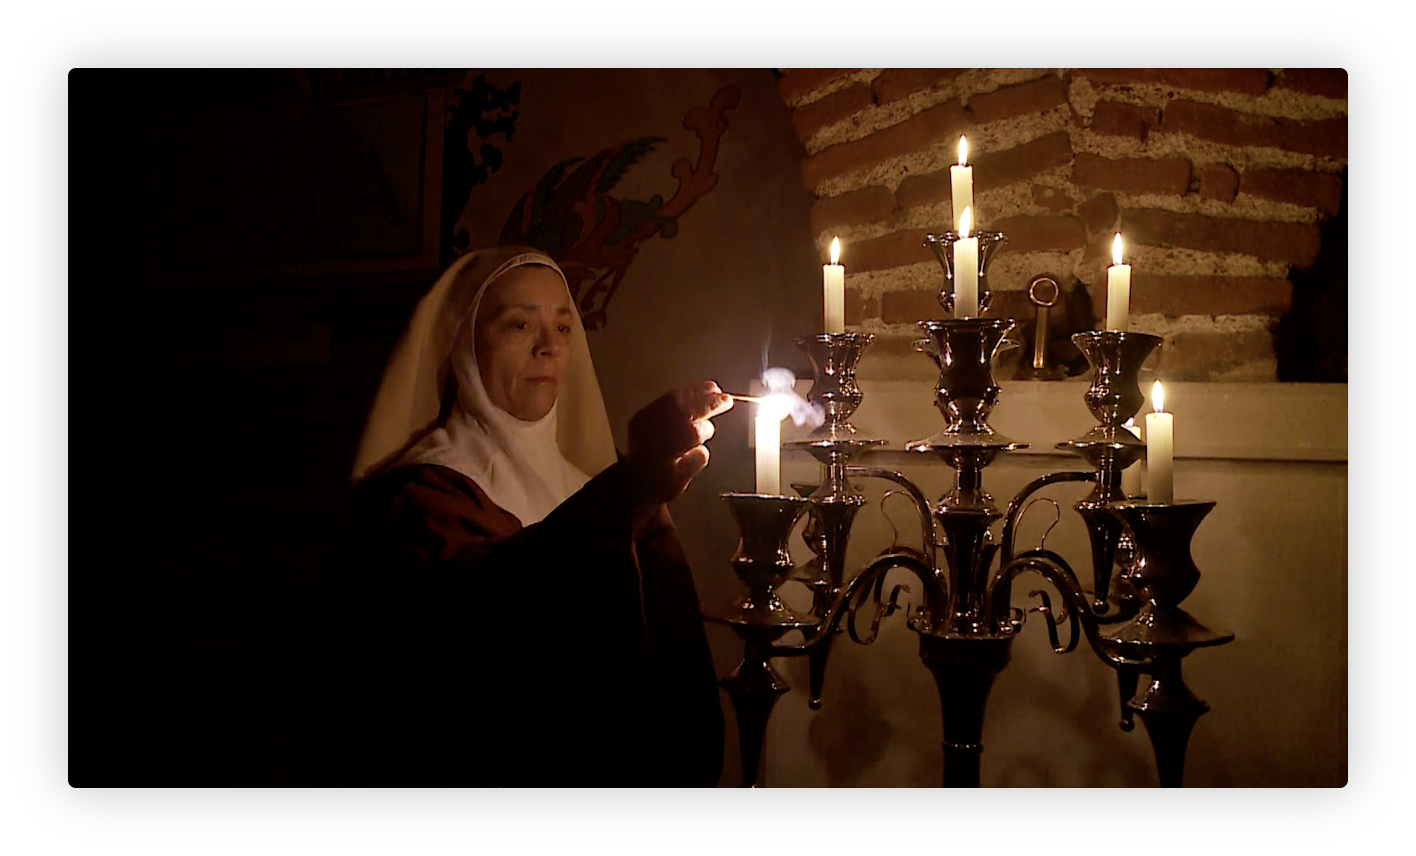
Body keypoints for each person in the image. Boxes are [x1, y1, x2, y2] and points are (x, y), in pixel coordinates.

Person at [321, 245, 732, 787]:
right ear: (466, 343)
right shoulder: (416, 496)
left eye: (562, 327)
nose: (549, 347)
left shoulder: (591, 487)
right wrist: (628, 488)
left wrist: (638, 496)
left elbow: (660, 653)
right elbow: (493, 629)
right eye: (520, 324)